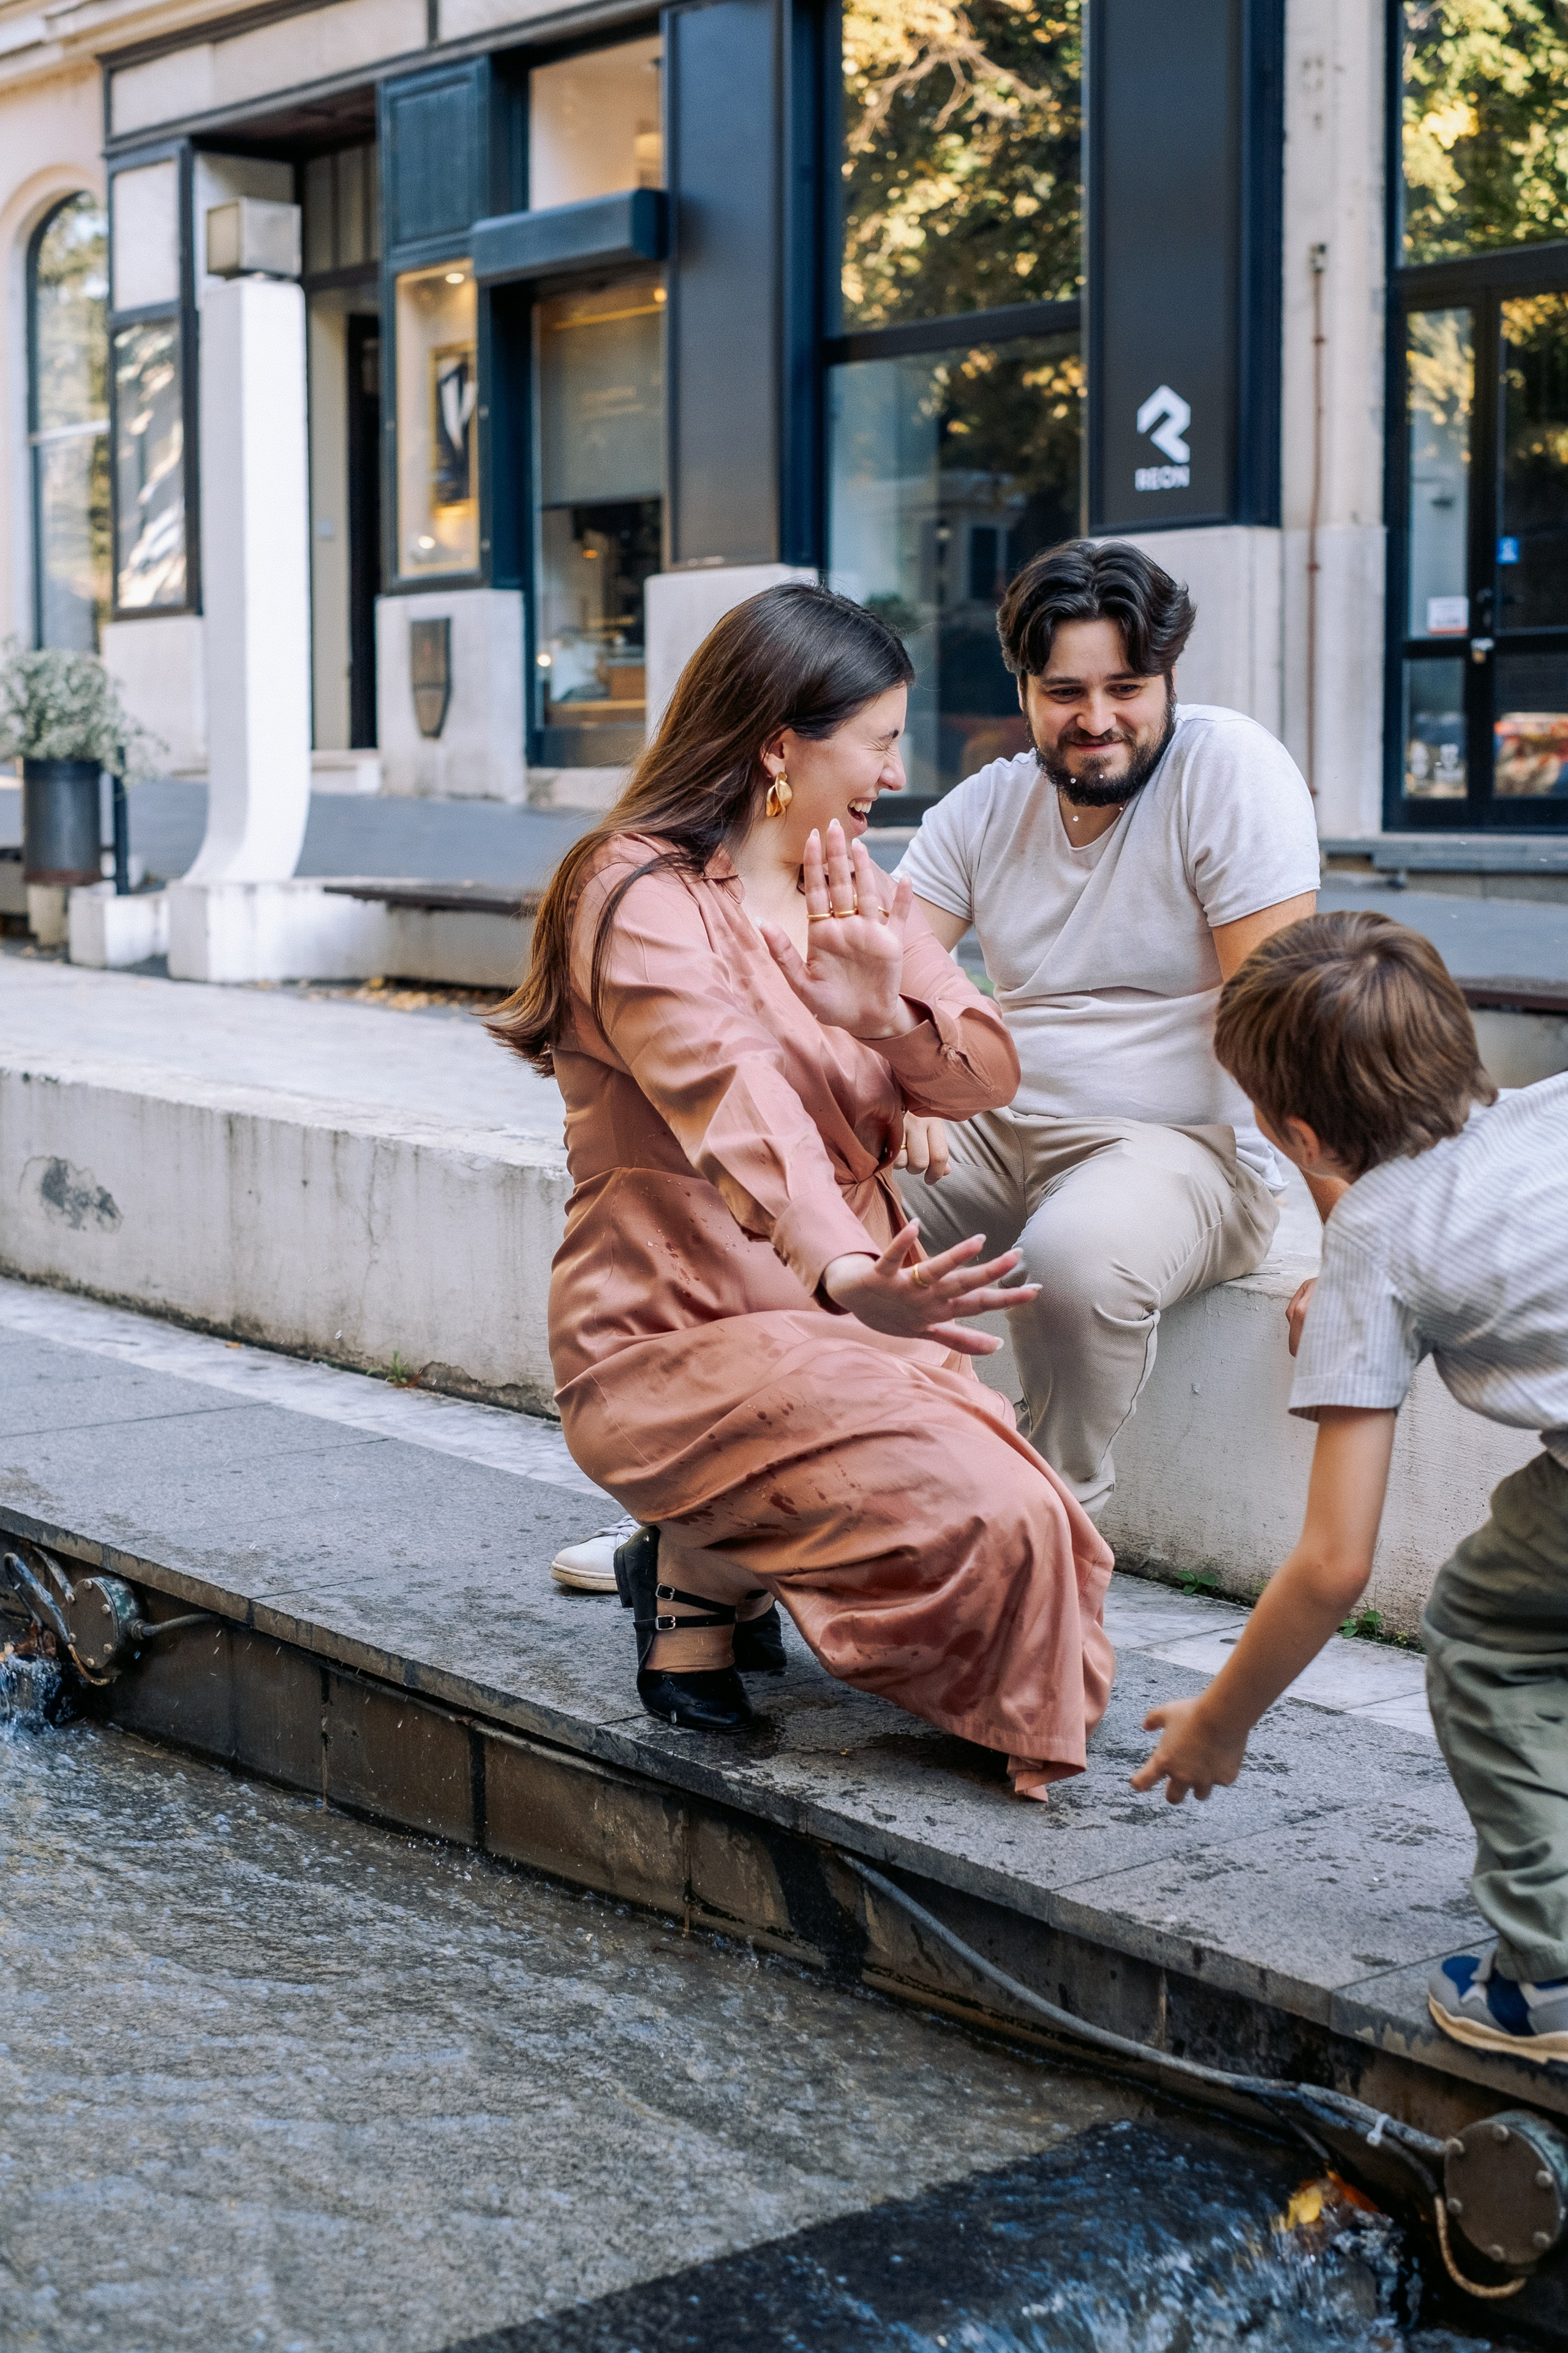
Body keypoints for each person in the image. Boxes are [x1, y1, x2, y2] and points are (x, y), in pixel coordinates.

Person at [493, 583, 1114, 1799]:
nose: (895, 768)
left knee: (1029, 1539)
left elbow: (983, 1074)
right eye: (878, 739)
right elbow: (733, 1096)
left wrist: (886, 1016)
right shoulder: (632, 892)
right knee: (998, 1520)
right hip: (675, 1325)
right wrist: (839, 1269)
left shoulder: (854, 885)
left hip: (852, 1319)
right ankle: (701, 1564)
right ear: (781, 741)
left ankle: (699, 1564)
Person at [1134, 911, 1568, 2065]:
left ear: (1301, 1133)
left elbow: (1335, 1562)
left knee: (1489, 1627)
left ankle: (1554, 1977)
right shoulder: (1555, 1104)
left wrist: (1221, 1724)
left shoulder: (1374, 1238)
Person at [897, 538, 1324, 1517]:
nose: (1096, 721)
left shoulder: (1230, 771)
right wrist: (896, 1086)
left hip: (1187, 1147)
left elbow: (1285, 1022)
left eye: (1126, 686)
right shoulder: (983, 809)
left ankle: (1048, 1522)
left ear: (1169, 674)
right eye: (1064, 692)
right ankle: (724, 1521)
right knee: (797, 1205)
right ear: (1024, 689)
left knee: (1073, 1258)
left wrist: (1360, 1255)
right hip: (1001, 1126)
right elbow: (881, 980)